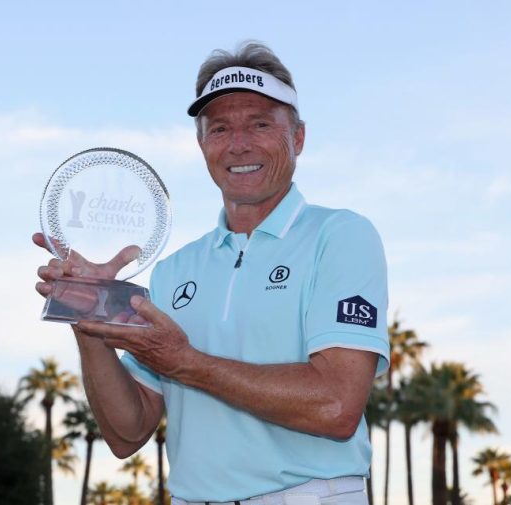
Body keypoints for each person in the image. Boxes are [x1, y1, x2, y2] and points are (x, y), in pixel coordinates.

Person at [34, 42, 389, 505]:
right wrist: (89, 322)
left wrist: (186, 363)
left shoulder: (340, 235)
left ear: (298, 137)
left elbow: (336, 405)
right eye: (219, 128)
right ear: (202, 144)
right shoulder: (174, 269)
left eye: (260, 123)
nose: (238, 144)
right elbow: (127, 433)